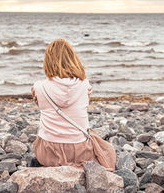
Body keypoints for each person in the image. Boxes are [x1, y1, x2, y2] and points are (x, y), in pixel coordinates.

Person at [31, 39, 116, 170]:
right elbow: (81, 108)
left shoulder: (38, 87)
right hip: (80, 151)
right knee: (103, 145)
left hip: (48, 152)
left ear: (47, 61)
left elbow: (43, 106)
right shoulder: (85, 84)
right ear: (73, 59)